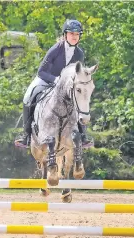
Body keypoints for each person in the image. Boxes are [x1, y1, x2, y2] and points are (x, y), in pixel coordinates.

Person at [15, 19, 92, 148]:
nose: (74, 37)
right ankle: (26, 135)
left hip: (66, 85)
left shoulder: (79, 53)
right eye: (71, 33)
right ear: (65, 35)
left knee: (81, 97)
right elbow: (41, 72)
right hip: (47, 79)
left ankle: (83, 135)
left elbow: (77, 74)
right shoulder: (55, 49)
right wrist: (56, 80)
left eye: (77, 34)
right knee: (28, 96)